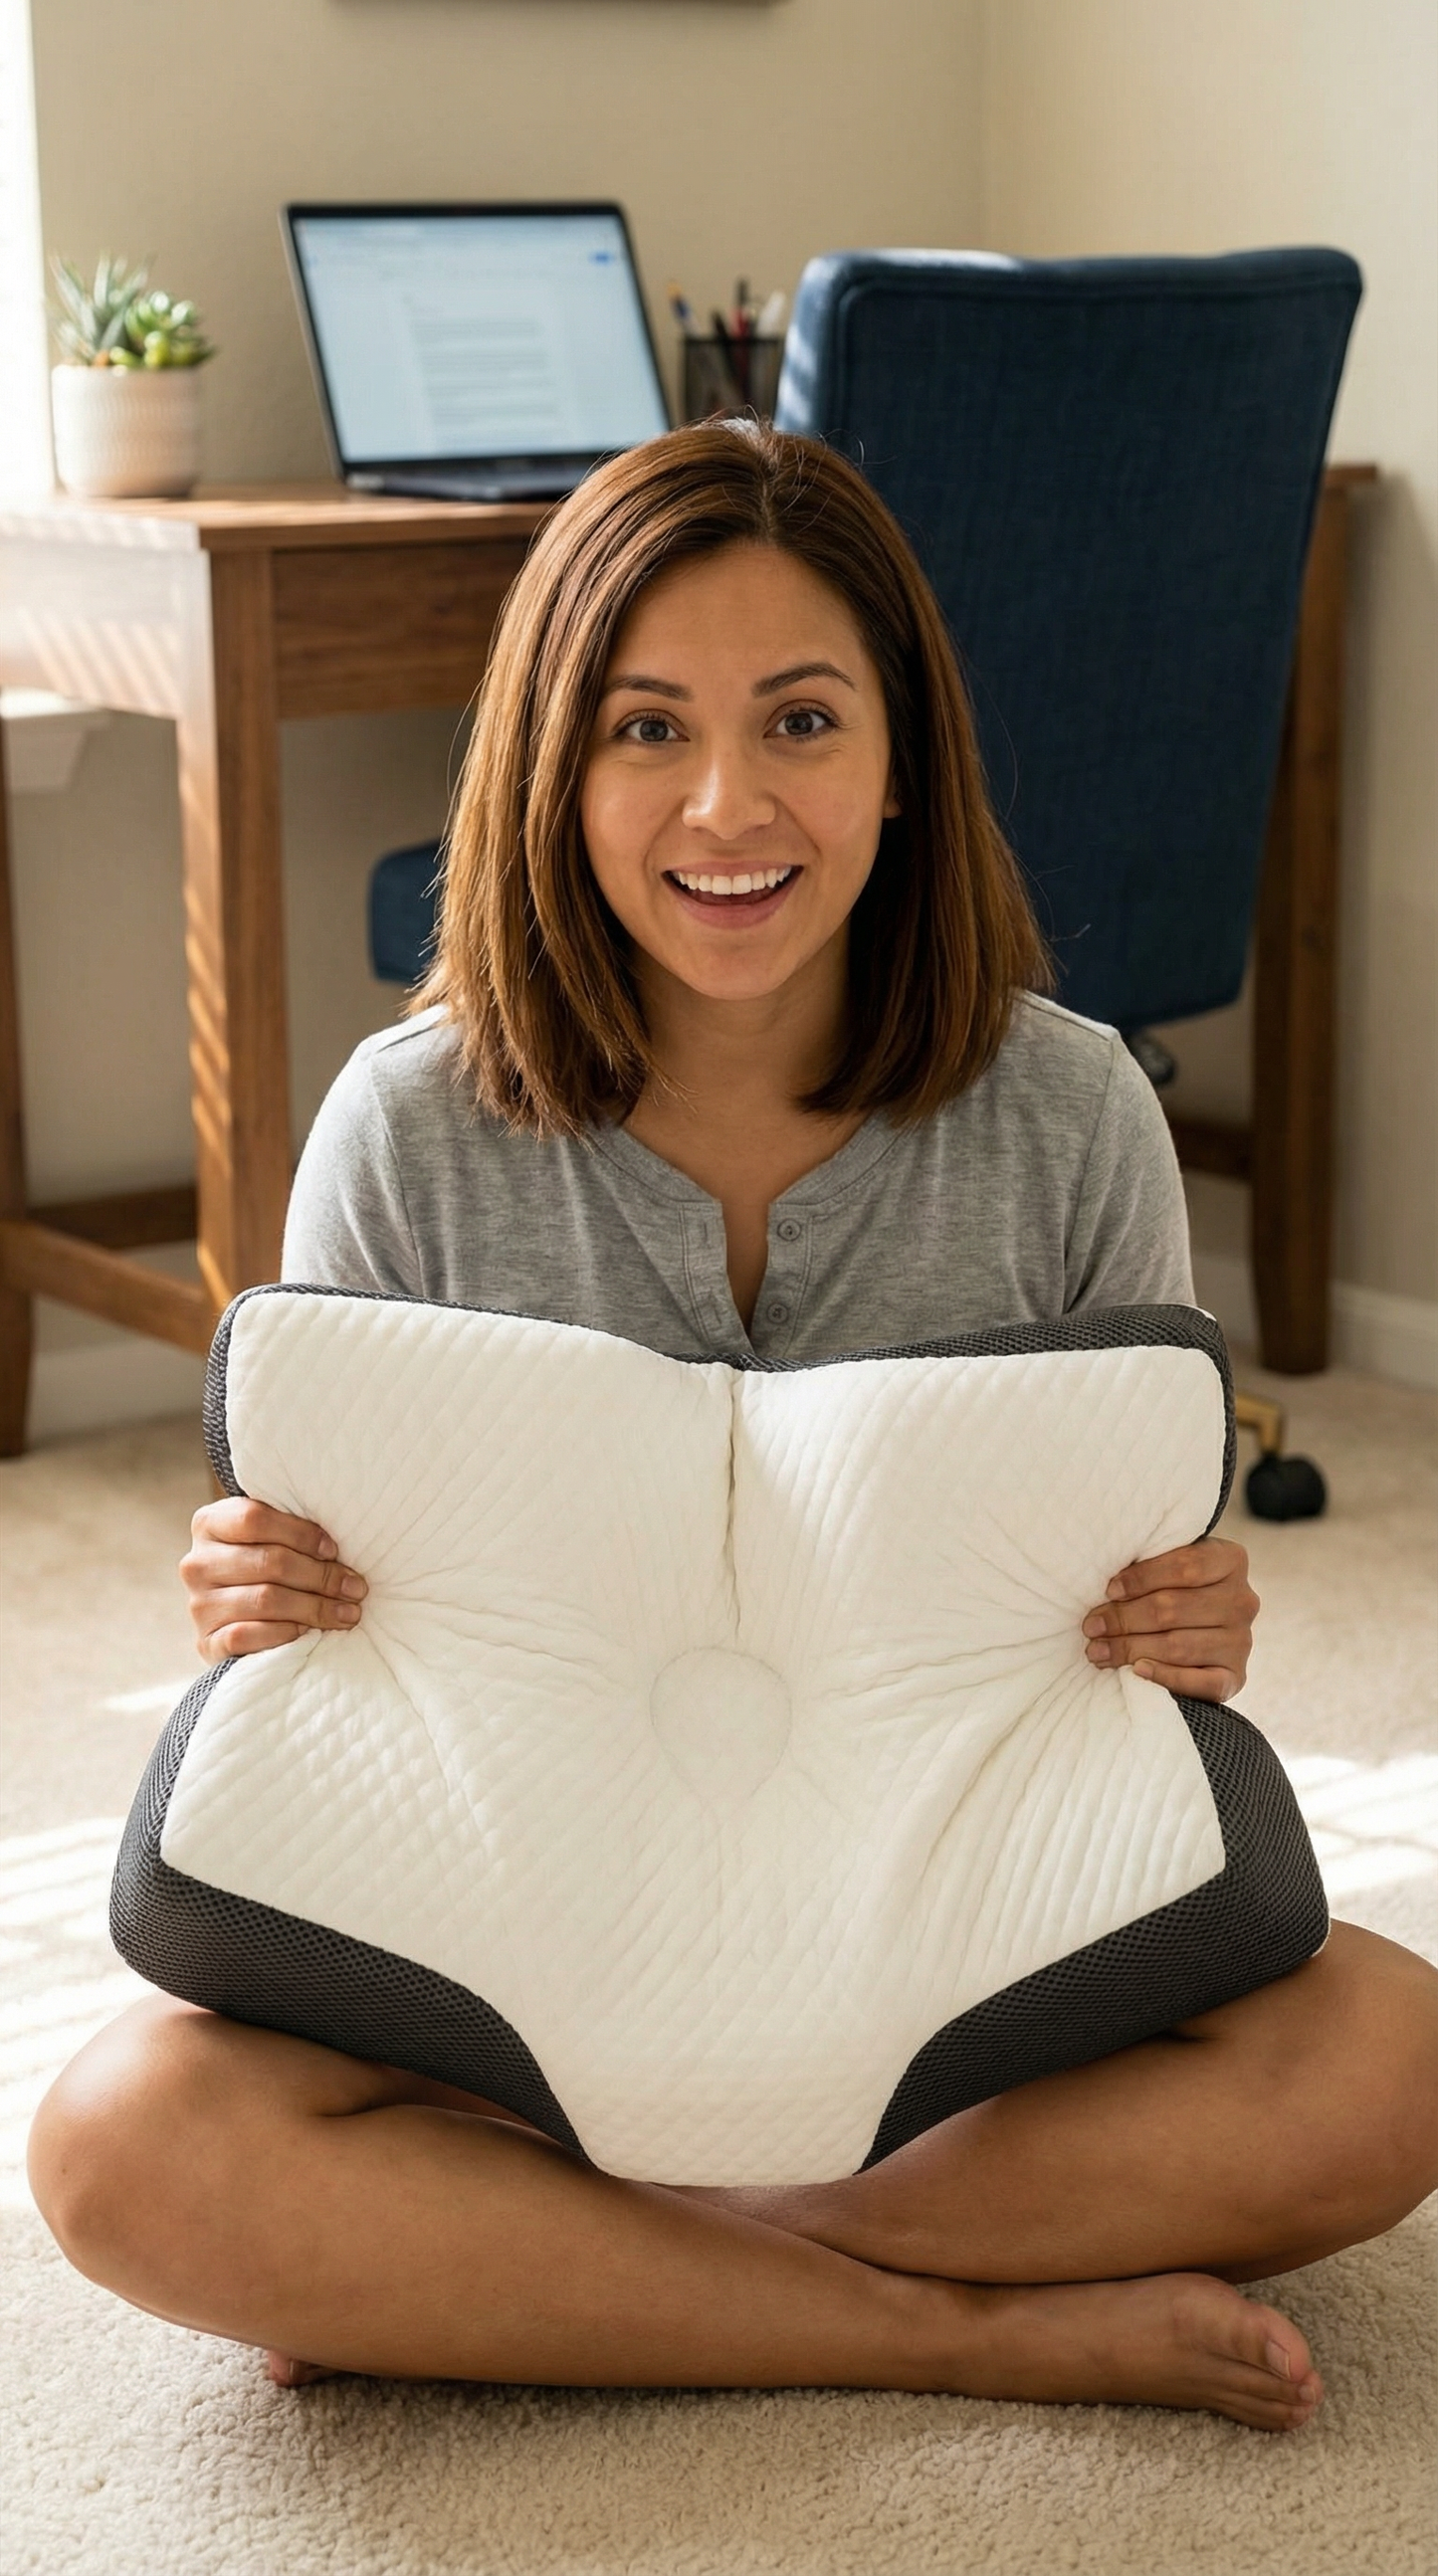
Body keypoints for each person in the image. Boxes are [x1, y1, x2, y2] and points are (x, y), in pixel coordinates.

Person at [30, 424, 1437, 2429]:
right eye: (642, 729)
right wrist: (265, 1599)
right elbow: (352, 1698)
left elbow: (1111, 1664)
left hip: (942, 1962)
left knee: (1394, 2057)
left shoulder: (1067, 1121)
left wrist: (1180, 1635)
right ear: (550, 763)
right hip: (525, 1953)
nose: (724, 804)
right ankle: (946, 2321)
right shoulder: (404, 1134)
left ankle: (540, 2265)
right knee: (119, 2136)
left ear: (898, 757)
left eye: (797, 719)